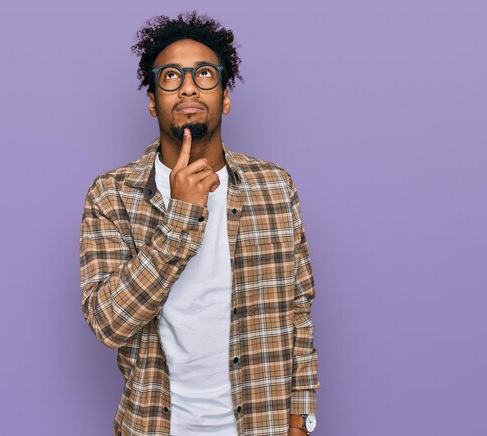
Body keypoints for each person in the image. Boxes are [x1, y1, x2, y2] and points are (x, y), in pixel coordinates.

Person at [79, 11, 320, 436]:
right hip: (156, 426)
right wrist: (183, 217)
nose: (188, 85)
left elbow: (298, 310)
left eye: (204, 74)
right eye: (171, 76)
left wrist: (300, 421)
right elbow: (107, 323)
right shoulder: (111, 194)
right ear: (153, 99)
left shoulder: (275, 187)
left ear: (225, 97)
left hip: (261, 426)